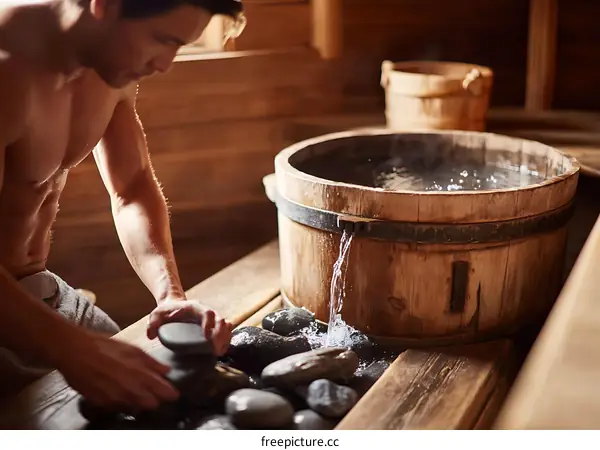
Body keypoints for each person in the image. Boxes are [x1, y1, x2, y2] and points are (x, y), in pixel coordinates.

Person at [0, 0, 245, 412]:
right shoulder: (7, 71)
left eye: (180, 46)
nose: (165, 64)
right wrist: (73, 351)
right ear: (105, 5)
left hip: (43, 295)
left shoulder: (107, 65)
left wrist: (170, 296)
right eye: (163, 40)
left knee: (174, 398)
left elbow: (131, 188)